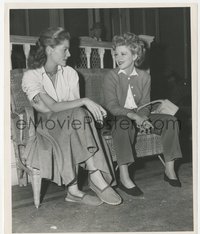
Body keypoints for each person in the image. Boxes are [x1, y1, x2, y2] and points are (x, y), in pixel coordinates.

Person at [22, 27, 122, 206]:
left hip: (71, 125)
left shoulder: (70, 74)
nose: (69, 54)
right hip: (48, 130)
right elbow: (50, 110)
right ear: (49, 50)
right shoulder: (31, 76)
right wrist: (84, 100)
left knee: (78, 115)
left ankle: (76, 190)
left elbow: (75, 112)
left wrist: (82, 106)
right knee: (78, 113)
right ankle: (95, 177)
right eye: (64, 49)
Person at [102, 32, 183, 196]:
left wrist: (144, 117)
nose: (118, 57)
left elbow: (145, 103)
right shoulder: (111, 76)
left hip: (140, 114)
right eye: (116, 53)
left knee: (171, 121)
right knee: (124, 124)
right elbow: (112, 106)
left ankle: (169, 169)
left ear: (135, 55)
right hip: (117, 117)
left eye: (123, 53)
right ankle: (124, 176)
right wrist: (135, 117)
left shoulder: (145, 76)